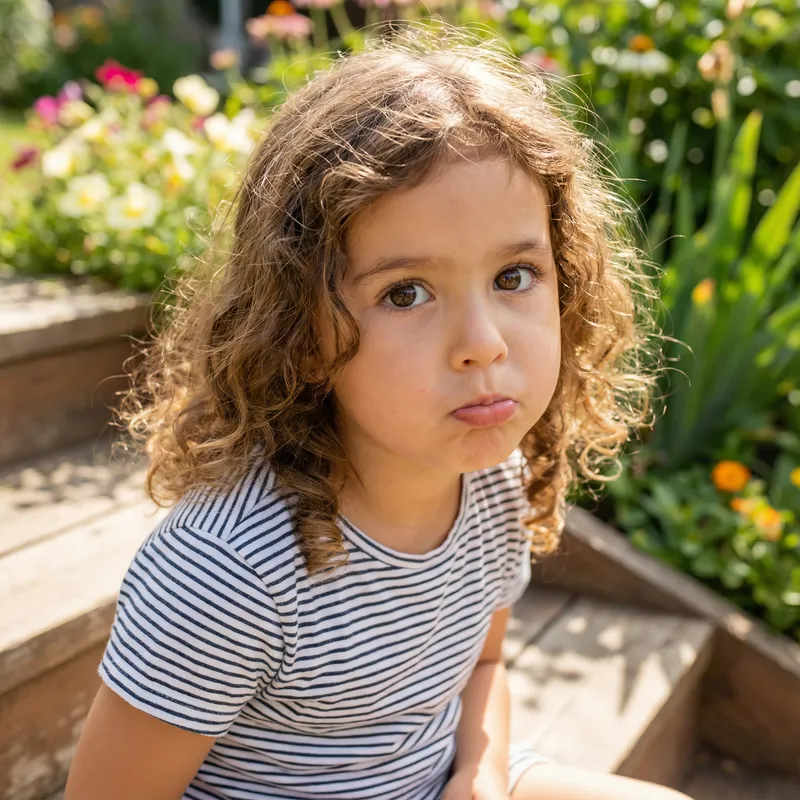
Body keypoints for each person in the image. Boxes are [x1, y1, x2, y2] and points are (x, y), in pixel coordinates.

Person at [65, 25, 691, 800]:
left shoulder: (491, 483)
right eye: (406, 293)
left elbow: (484, 663)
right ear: (298, 331)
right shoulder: (230, 572)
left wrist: (483, 774)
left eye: (515, 275)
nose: (482, 344)